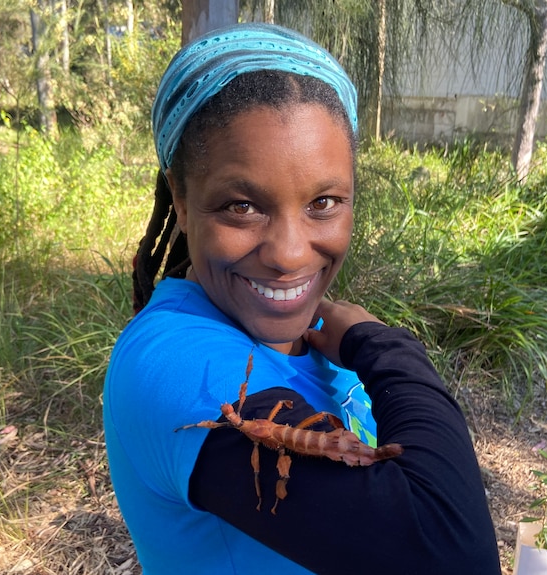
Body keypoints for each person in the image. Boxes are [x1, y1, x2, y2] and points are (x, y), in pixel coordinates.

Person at [103, 22, 501, 575]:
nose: (290, 255)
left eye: (324, 201)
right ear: (184, 200)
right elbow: (449, 550)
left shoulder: (316, 344)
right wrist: (386, 347)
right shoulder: (174, 366)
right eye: (241, 206)